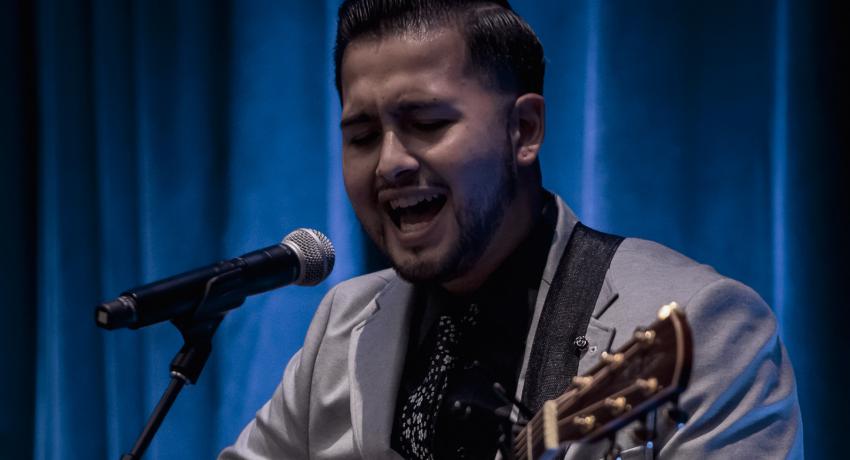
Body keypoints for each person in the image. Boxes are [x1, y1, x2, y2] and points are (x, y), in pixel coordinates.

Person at [220, 1, 803, 458]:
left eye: (425, 122)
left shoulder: (703, 327)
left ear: (524, 129)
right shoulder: (341, 326)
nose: (389, 162)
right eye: (363, 135)